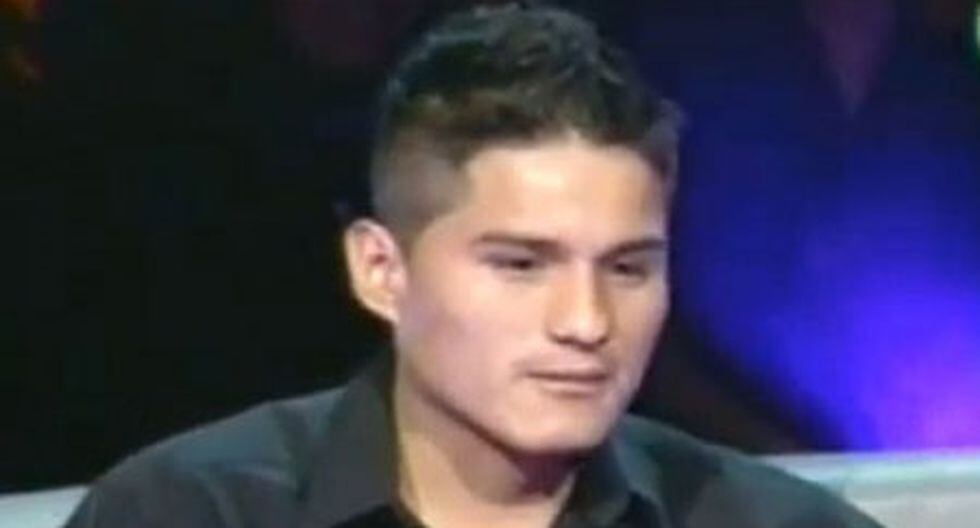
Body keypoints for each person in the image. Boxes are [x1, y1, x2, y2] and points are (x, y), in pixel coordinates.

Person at [63, 4, 883, 527]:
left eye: (628, 269)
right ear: (381, 270)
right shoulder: (190, 512)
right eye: (522, 264)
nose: (586, 321)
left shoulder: (775, 526)